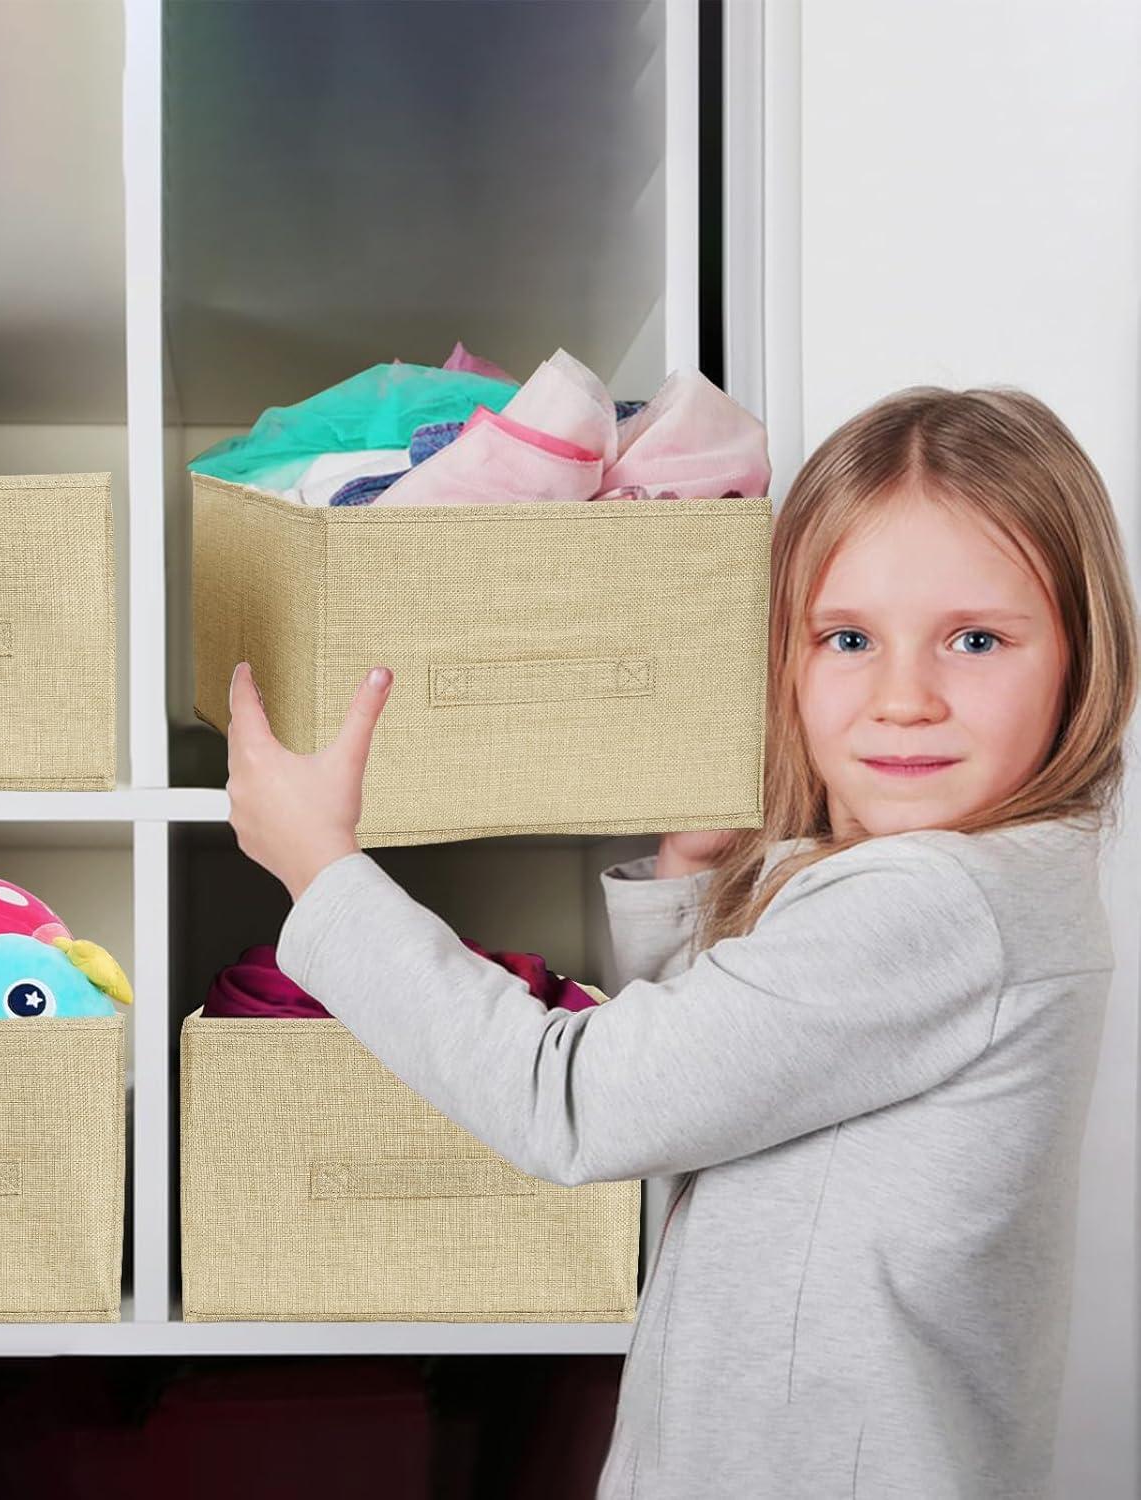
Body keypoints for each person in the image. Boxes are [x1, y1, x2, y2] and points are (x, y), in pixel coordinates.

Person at [222, 385, 1138, 1499]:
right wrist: (693, 882)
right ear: (786, 660)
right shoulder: (987, 890)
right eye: (849, 638)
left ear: (1082, 660)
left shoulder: (939, 901)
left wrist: (320, 872)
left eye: (976, 640)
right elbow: (725, 1088)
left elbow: (579, 1106)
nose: (905, 698)